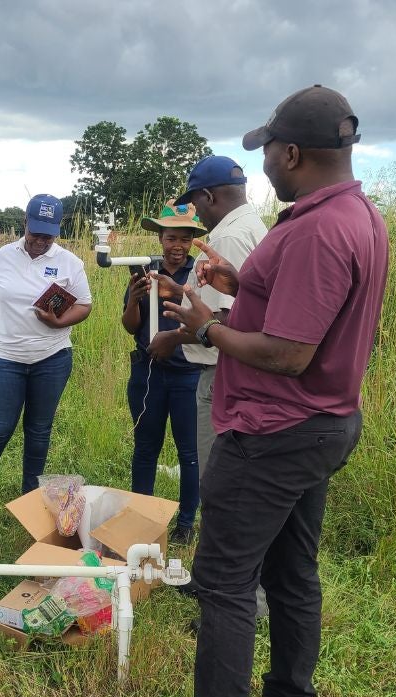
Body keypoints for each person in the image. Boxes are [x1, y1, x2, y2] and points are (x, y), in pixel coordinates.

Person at [131, 85, 388, 697]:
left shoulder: (311, 229)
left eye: (269, 150)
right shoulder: (357, 215)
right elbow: (310, 311)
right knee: (292, 571)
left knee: (223, 580)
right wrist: (239, 280)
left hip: (276, 429)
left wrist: (204, 327)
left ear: (293, 153)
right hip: (324, 424)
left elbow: (290, 352)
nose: (264, 162)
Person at [149, 157, 269, 618]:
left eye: (196, 205)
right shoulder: (255, 227)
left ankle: (235, 598)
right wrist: (175, 293)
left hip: (221, 372)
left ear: (209, 196)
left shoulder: (225, 238)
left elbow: (214, 321)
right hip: (237, 369)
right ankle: (217, 581)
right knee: (231, 484)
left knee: (221, 486)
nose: (196, 217)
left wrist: (169, 336)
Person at [0, 194, 92, 517]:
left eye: (47, 235)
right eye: (35, 233)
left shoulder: (70, 263)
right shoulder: (3, 256)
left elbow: (85, 305)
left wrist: (59, 320)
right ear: (25, 224)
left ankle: (29, 501)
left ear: (57, 231)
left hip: (51, 359)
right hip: (6, 358)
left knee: (38, 430)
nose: (40, 241)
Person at [123, 201, 206, 542]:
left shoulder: (200, 274)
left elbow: (208, 321)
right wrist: (133, 299)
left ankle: (186, 524)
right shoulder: (145, 272)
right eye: (171, 237)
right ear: (160, 238)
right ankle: (142, 518)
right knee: (146, 447)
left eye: (185, 239)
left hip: (188, 374)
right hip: (149, 374)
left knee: (190, 451)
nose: (177, 246)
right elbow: (131, 327)